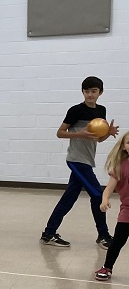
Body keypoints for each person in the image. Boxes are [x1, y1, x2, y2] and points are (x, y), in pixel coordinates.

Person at [41, 76, 118, 248]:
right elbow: (60, 133)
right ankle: (103, 235)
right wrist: (79, 134)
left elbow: (97, 139)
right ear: (82, 92)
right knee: (98, 195)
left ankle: (49, 233)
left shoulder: (101, 110)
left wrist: (108, 132)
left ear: (100, 92)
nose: (90, 95)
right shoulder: (75, 110)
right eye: (86, 91)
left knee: (69, 198)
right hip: (76, 160)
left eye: (94, 91)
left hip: (87, 159)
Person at [96, 133, 129, 280]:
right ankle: (107, 267)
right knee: (117, 241)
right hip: (127, 211)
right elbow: (109, 189)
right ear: (123, 147)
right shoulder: (119, 166)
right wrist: (105, 200)